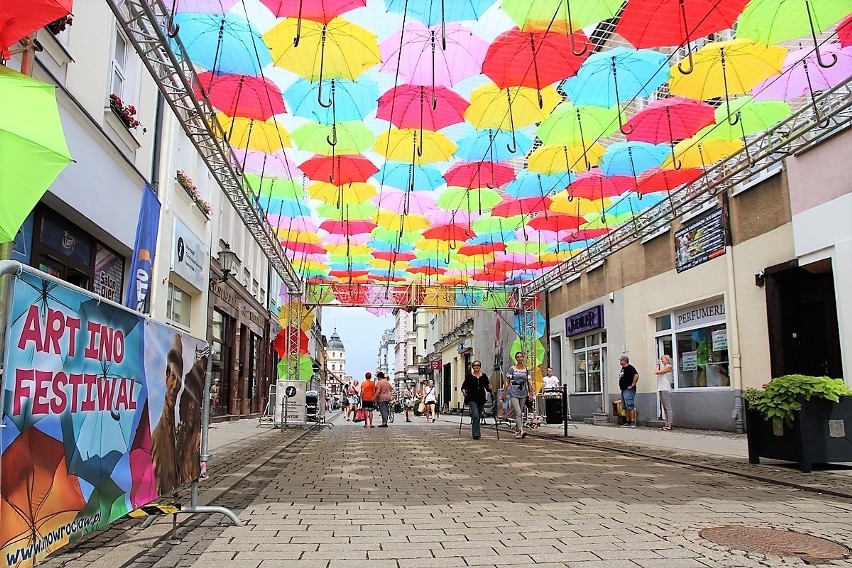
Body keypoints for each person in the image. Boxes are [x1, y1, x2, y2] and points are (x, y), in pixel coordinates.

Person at [502, 351, 531, 439]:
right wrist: (504, 392)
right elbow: (507, 381)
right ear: (516, 358)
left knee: (520, 412)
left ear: (523, 358)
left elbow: (529, 382)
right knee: (518, 412)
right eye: (518, 357)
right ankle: (522, 430)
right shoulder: (512, 368)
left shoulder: (526, 369)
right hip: (514, 391)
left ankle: (517, 430)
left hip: (523, 391)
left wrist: (531, 393)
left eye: (521, 357)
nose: (519, 358)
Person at [461, 360, 491, 439]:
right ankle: (476, 433)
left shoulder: (484, 376)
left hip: (481, 398)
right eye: (474, 366)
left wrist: (489, 387)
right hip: (471, 398)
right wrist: (464, 391)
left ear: (480, 367)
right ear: (472, 367)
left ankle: (473, 418)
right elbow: (463, 387)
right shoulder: (469, 376)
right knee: (476, 415)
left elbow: (487, 388)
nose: (476, 367)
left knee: (478, 415)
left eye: (478, 365)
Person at [619, 355, 639, 428]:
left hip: (629, 390)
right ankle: (627, 421)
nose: (620, 362)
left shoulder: (630, 368)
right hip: (623, 389)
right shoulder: (623, 369)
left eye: (621, 360)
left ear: (624, 360)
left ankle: (633, 422)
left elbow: (636, 375)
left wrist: (632, 385)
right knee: (625, 406)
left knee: (630, 406)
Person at [655, 354, 674, 431]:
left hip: (666, 388)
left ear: (666, 359)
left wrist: (658, 365)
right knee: (664, 407)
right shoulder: (664, 366)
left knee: (667, 407)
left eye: (662, 359)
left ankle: (670, 424)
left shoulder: (668, 366)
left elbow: (657, 372)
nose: (661, 360)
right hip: (661, 387)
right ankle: (666, 423)